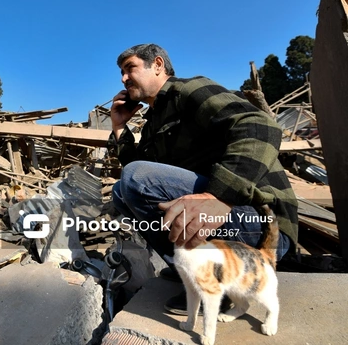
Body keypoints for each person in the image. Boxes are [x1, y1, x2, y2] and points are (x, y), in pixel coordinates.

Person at [107, 43, 298, 314]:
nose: (124, 79)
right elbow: (136, 178)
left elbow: (259, 127)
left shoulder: (189, 90)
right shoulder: (155, 120)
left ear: (158, 65)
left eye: (130, 69)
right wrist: (118, 127)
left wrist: (218, 196)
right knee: (121, 190)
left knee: (136, 177)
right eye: (121, 73)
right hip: (228, 227)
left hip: (261, 225)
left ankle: (217, 282)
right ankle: (193, 271)